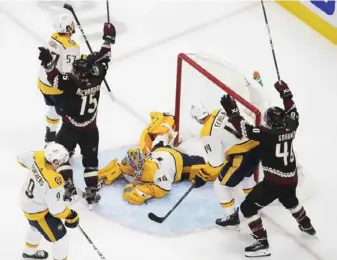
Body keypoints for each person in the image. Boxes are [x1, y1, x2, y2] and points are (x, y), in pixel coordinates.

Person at [220, 80, 316, 257]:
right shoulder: (291, 127)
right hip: (291, 179)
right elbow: (293, 110)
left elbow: (244, 129)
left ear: (270, 123)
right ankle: (307, 225)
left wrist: (232, 112)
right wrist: (286, 93)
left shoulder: (267, 135)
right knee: (290, 200)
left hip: (274, 183)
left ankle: (262, 243)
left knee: (248, 207)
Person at [37, 22, 116, 209]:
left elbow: (54, 77)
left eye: (76, 70)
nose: (74, 71)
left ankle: (69, 185)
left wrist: (49, 63)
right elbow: (105, 58)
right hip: (90, 130)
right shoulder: (97, 77)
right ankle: (91, 191)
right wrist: (107, 39)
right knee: (90, 163)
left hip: (70, 128)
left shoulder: (72, 83)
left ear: (79, 73)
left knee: (62, 155)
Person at [190, 104, 260, 229]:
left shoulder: (206, 132)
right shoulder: (220, 111)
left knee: (220, 185)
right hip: (256, 147)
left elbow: (217, 162)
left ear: (197, 119)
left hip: (242, 155)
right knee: (246, 177)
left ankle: (231, 219)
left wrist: (203, 174)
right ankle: (255, 204)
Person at [19, 143, 79, 260]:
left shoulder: (39, 156)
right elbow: (57, 210)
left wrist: (36, 171)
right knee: (61, 239)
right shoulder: (53, 182)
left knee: (35, 228)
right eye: (61, 161)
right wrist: (70, 215)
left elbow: (20, 160)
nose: (63, 162)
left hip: (27, 202)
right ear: (54, 161)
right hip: (38, 212)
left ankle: (29, 253)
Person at [37, 13, 80, 145]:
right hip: (56, 86)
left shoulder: (53, 37)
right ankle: (65, 145)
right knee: (71, 116)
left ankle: (50, 137)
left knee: (52, 108)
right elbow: (68, 71)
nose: (73, 26)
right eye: (70, 25)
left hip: (43, 82)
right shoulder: (72, 47)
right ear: (66, 28)